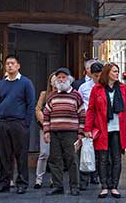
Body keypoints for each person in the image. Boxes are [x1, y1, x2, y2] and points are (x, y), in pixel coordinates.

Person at [84, 62, 126, 199]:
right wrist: (87, 128)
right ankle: (104, 186)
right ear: (107, 73)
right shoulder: (97, 89)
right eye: (114, 71)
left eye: (118, 71)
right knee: (103, 159)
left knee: (117, 158)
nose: (117, 74)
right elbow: (91, 110)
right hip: (102, 128)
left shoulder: (123, 89)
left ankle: (114, 186)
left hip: (119, 128)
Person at [0, 55, 36, 194]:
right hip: (3, 122)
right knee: (4, 154)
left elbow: (31, 104)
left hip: (19, 123)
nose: (10, 66)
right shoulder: (1, 84)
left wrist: (26, 123)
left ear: (18, 66)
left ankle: (22, 183)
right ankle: (4, 182)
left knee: (21, 154)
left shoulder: (26, 82)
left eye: (12, 63)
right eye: (7, 63)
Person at [42, 68, 85, 196]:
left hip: (71, 133)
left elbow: (82, 114)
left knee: (72, 159)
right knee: (55, 160)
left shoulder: (76, 95)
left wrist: (81, 133)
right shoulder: (52, 96)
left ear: (69, 79)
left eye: (64, 77)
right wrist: (46, 131)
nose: (61, 80)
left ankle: (74, 186)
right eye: (59, 77)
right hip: (55, 132)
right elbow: (46, 114)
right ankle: (58, 186)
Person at [77, 61, 103, 190]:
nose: (98, 78)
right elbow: (80, 104)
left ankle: (96, 175)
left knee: (100, 151)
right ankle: (83, 180)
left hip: (102, 122)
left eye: (100, 75)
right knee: (86, 151)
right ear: (91, 74)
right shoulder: (84, 87)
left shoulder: (105, 87)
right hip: (88, 121)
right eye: (96, 75)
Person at [33, 73, 56, 189]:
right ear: (50, 82)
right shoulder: (44, 94)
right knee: (44, 153)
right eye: (53, 79)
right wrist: (44, 120)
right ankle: (39, 179)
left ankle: (54, 179)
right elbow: (37, 108)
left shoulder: (63, 94)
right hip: (45, 128)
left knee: (55, 155)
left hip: (58, 128)